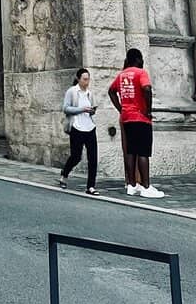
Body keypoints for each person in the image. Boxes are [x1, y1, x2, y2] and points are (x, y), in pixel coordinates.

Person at [108, 48, 163, 199]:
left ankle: (131, 185)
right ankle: (146, 186)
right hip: (140, 116)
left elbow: (111, 91)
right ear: (138, 59)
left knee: (131, 152)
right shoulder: (140, 72)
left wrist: (121, 108)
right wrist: (149, 110)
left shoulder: (121, 75)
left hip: (127, 117)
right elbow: (147, 88)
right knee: (143, 152)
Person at [60, 68, 99, 195]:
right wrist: (82, 109)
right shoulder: (72, 92)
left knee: (93, 158)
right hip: (77, 127)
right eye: (84, 79)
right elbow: (66, 108)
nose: (87, 82)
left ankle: (91, 186)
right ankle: (65, 173)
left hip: (90, 127)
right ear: (78, 79)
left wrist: (92, 110)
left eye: (88, 79)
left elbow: (92, 108)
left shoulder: (90, 93)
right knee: (76, 156)